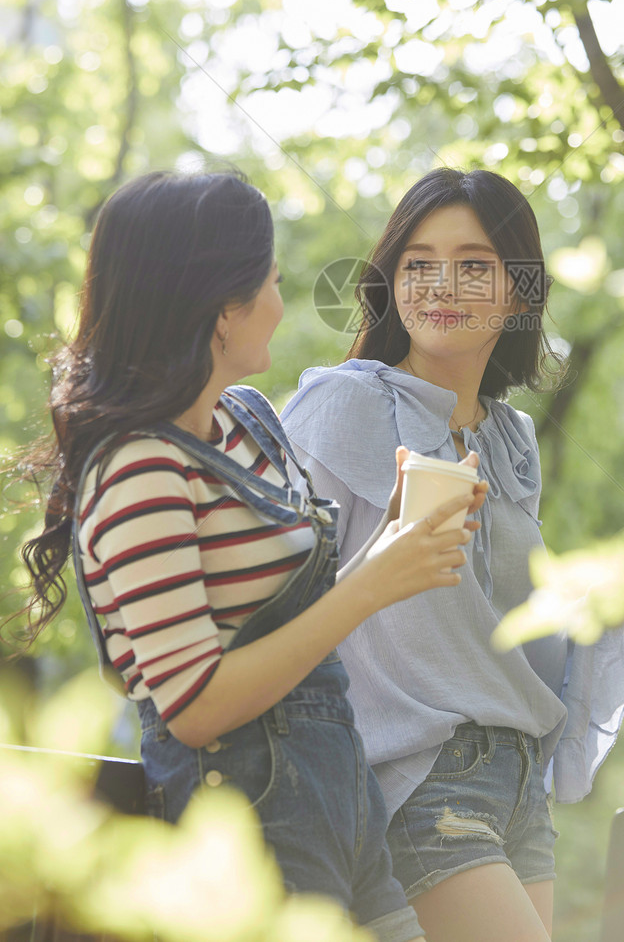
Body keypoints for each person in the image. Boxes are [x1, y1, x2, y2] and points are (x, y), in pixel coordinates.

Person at [16, 169, 489, 942]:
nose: (280, 297)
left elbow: (283, 618)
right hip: (248, 824)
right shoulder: (139, 467)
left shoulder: (247, 420)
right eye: (268, 280)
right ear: (220, 308)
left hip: (342, 800)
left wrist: (398, 535)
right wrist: (372, 584)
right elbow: (195, 706)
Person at [281, 168, 624, 942]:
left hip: (518, 784)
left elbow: (517, 636)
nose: (440, 283)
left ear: (519, 292)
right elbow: (274, 596)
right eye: (417, 263)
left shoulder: (512, 439)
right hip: (417, 777)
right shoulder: (344, 404)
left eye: (473, 264)